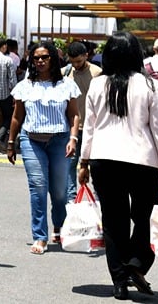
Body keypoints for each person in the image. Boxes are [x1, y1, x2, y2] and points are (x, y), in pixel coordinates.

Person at [79, 31, 158, 300]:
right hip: (143, 161)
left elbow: (89, 127)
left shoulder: (97, 84)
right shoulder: (151, 86)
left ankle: (119, 281)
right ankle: (137, 264)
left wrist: (84, 161)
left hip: (104, 160)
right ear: (136, 55)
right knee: (144, 218)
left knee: (114, 222)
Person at [6, 41, 80, 255]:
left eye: (44, 57)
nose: (40, 61)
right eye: (36, 58)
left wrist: (73, 138)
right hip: (31, 141)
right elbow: (17, 117)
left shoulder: (66, 85)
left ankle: (59, 226)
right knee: (38, 187)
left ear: (53, 59)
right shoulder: (25, 85)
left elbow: (74, 115)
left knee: (59, 191)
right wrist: (11, 143)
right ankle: (40, 236)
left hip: (60, 140)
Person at [63, 41, 102, 201]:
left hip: (93, 128)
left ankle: (98, 198)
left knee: (95, 165)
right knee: (70, 164)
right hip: (72, 128)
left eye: (78, 61)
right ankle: (71, 199)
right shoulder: (65, 73)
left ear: (86, 56)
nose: (76, 65)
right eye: (72, 62)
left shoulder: (97, 73)